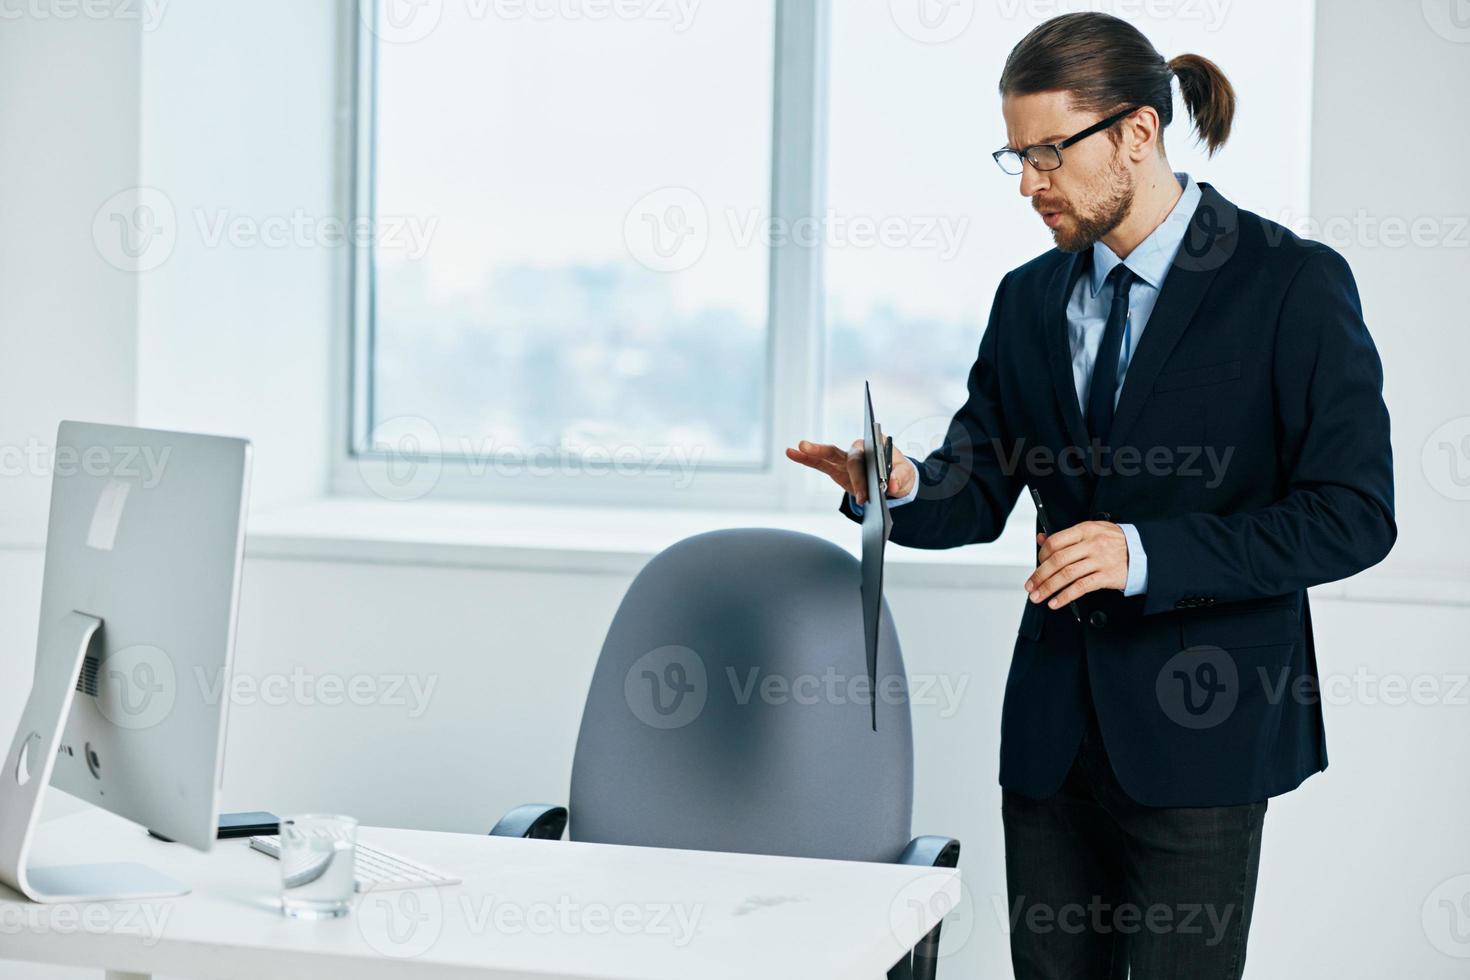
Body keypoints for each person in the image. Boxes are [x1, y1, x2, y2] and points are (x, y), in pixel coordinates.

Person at [787, 12, 1395, 979]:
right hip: (1052, 739)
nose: (1028, 183)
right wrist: (895, 488)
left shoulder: (1290, 286)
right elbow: (976, 486)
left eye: (1047, 153)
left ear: (1137, 133)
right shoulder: (1028, 298)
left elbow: (1354, 514)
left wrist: (1144, 553)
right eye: (1015, 155)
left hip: (1205, 734)